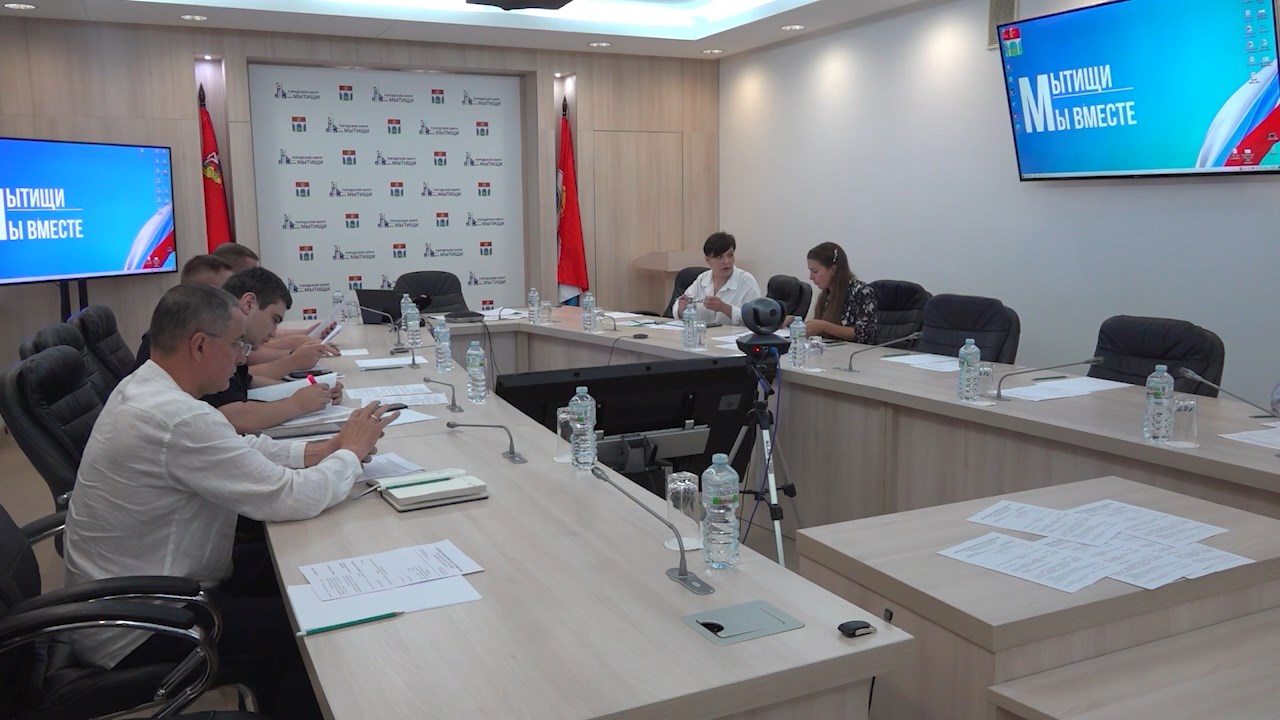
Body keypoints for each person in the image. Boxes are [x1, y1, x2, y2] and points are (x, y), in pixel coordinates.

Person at [63, 283, 397, 719]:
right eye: (238, 344)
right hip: (143, 627)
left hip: (142, 596)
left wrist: (326, 449)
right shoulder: (177, 418)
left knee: (299, 574)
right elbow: (291, 496)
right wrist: (350, 454)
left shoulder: (147, 387)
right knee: (313, 623)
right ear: (200, 345)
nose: (244, 358)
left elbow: (239, 449)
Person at [135, 267, 342, 434]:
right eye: (274, 320)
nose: (241, 358)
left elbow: (247, 381)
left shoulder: (222, 341)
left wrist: (314, 392)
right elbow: (234, 417)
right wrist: (297, 404)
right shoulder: (209, 339)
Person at [675, 231, 762, 326]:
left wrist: (725, 308)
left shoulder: (747, 281)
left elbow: (756, 319)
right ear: (708, 260)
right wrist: (681, 308)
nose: (727, 261)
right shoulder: (702, 279)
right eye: (719, 257)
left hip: (734, 335)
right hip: (704, 333)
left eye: (730, 255)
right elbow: (680, 305)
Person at [803, 241, 877, 343]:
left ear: (833, 270)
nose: (811, 277)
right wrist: (794, 322)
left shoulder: (862, 292)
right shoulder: (825, 294)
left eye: (815, 271)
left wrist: (824, 326)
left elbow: (865, 334)